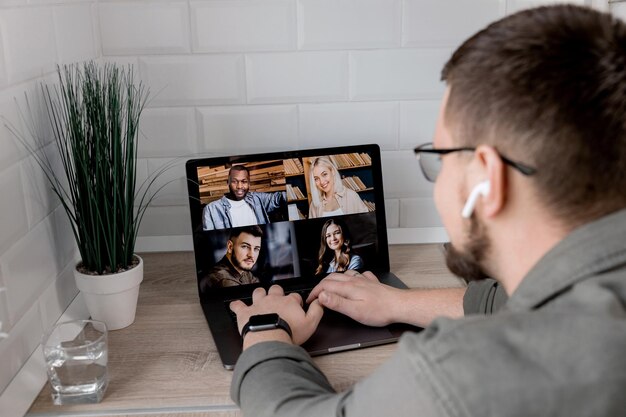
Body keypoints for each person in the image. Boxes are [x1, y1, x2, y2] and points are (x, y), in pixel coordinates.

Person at [229, 5, 626, 417]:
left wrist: (265, 329)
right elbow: (523, 297)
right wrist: (399, 304)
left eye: (440, 158)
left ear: (486, 179)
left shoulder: (464, 372)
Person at [202, 165, 286, 230]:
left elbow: (280, 197)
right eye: (234, 182)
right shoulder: (211, 209)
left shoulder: (258, 199)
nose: (239, 186)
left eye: (244, 182)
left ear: (249, 183)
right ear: (228, 183)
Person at [199, 226, 263, 290]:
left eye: (256, 249)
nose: (251, 255)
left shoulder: (243, 272)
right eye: (245, 246)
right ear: (230, 247)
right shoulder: (224, 280)